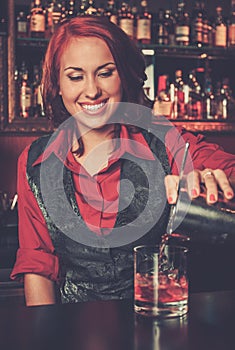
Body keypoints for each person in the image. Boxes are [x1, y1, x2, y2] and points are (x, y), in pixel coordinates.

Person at [11, 16, 235, 306]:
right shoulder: (34, 162)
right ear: (57, 84)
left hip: (157, 327)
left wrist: (218, 182)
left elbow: (227, 171)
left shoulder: (165, 141)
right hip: (73, 332)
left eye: (105, 73)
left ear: (124, 75)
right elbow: (38, 265)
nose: (91, 90)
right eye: (75, 76)